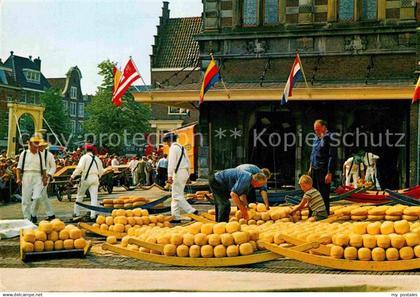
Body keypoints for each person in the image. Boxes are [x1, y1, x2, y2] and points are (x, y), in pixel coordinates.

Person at [164, 133, 198, 222]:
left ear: (169, 141)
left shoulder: (173, 148)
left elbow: (171, 163)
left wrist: (169, 176)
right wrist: (189, 175)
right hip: (184, 172)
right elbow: (188, 161)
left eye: (166, 142)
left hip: (177, 173)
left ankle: (192, 211)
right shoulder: (182, 147)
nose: (166, 144)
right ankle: (175, 217)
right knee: (176, 195)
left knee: (176, 195)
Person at [16, 134, 48, 222]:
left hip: (38, 176)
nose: (37, 146)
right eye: (35, 143)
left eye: (38, 143)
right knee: (26, 198)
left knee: (37, 197)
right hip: (27, 175)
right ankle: (27, 218)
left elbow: (44, 168)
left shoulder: (40, 154)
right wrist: (18, 178)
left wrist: (45, 178)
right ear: (30, 144)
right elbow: (18, 168)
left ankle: (33, 214)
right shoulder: (24, 153)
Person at [70, 144, 104, 222]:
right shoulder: (97, 159)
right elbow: (101, 171)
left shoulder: (84, 157)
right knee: (94, 197)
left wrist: (72, 176)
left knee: (80, 196)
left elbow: (79, 168)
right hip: (95, 178)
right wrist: (98, 177)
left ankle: (76, 213)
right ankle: (93, 215)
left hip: (86, 178)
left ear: (86, 150)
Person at [308, 119, 335, 215]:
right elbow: (313, 153)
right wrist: (310, 167)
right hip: (314, 168)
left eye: (318, 129)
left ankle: (324, 214)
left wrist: (329, 172)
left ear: (324, 127)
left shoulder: (330, 137)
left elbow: (332, 156)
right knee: (312, 192)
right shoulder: (316, 138)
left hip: (323, 170)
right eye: (315, 130)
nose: (316, 131)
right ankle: (312, 213)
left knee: (323, 193)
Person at [32, 140, 56, 221]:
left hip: (45, 178)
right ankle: (51, 214)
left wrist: (49, 175)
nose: (39, 148)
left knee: (37, 196)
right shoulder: (34, 154)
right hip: (35, 177)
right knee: (43, 196)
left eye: (41, 146)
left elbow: (53, 167)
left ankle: (33, 215)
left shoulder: (49, 155)